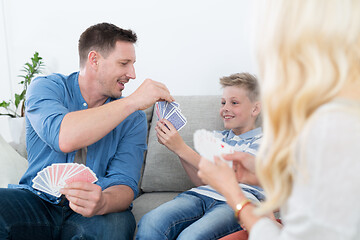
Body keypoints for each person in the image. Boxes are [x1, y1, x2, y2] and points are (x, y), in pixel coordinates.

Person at [197, 0, 360, 239]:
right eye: (223, 102)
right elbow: (326, 191)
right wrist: (268, 175)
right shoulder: (335, 117)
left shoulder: (331, 127)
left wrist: (236, 197)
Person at [0, 22, 174, 240]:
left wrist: (103, 202)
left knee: (116, 224)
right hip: (38, 202)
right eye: (124, 63)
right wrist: (133, 101)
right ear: (94, 60)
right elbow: (64, 137)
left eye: (133, 64)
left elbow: (125, 183)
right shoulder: (46, 88)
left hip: (96, 210)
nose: (132, 74)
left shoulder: (134, 118)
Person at [136, 72, 265, 240]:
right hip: (200, 195)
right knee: (150, 222)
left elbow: (234, 176)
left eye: (234, 103)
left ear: (255, 108)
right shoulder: (216, 138)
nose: (226, 108)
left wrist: (181, 148)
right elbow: (202, 181)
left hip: (235, 202)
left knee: (191, 236)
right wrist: (177, 149)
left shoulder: (265, 141)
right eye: (223, 102)